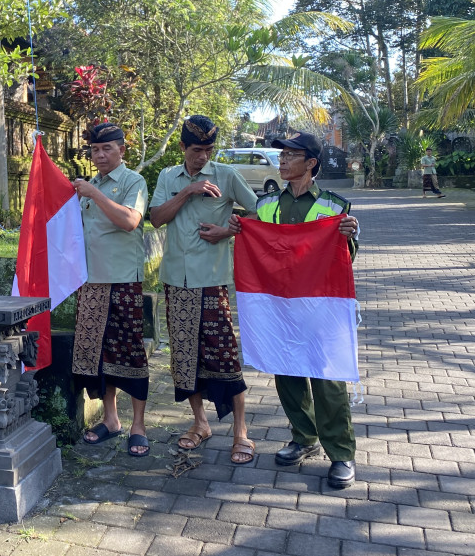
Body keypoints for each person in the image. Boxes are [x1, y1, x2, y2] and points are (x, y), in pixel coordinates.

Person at [229, 131, 360, 488]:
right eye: (282, 155)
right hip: (278, 306)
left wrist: (349, 236)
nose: (283, 161)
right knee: (286, 371)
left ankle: (341, 452)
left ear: (311, 163)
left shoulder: (334, 206)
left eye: (291, 155)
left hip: (320, 306)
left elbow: (345, 259)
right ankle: (303, 437)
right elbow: (259, 244)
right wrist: (239, 230)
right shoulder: (267, 204)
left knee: (326, 378)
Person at [150, 115, 259, 465]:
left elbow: (259, 213)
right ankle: (200, 424)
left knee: (224, 355)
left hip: (211, 282)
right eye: (197, 150)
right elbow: (156, 218)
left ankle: (241, 432)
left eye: (209, 150)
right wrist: (188, 190)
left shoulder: (226, 175)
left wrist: (228, 232)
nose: (203, 157)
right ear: (183, 148)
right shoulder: (169, 177)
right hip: (175, 282)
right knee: (184, 359)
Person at [71, 122, 151, 457]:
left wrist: (95, 195)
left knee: (129, 351)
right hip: (90, 282)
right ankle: (111, 419)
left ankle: (139, 426)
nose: (100, 155)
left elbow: (130, 221)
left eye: (107, 149)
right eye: (94, 150)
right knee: (99, 356)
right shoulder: (90, 184)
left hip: (122, 280)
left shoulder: (134, 181)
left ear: (122, 150)